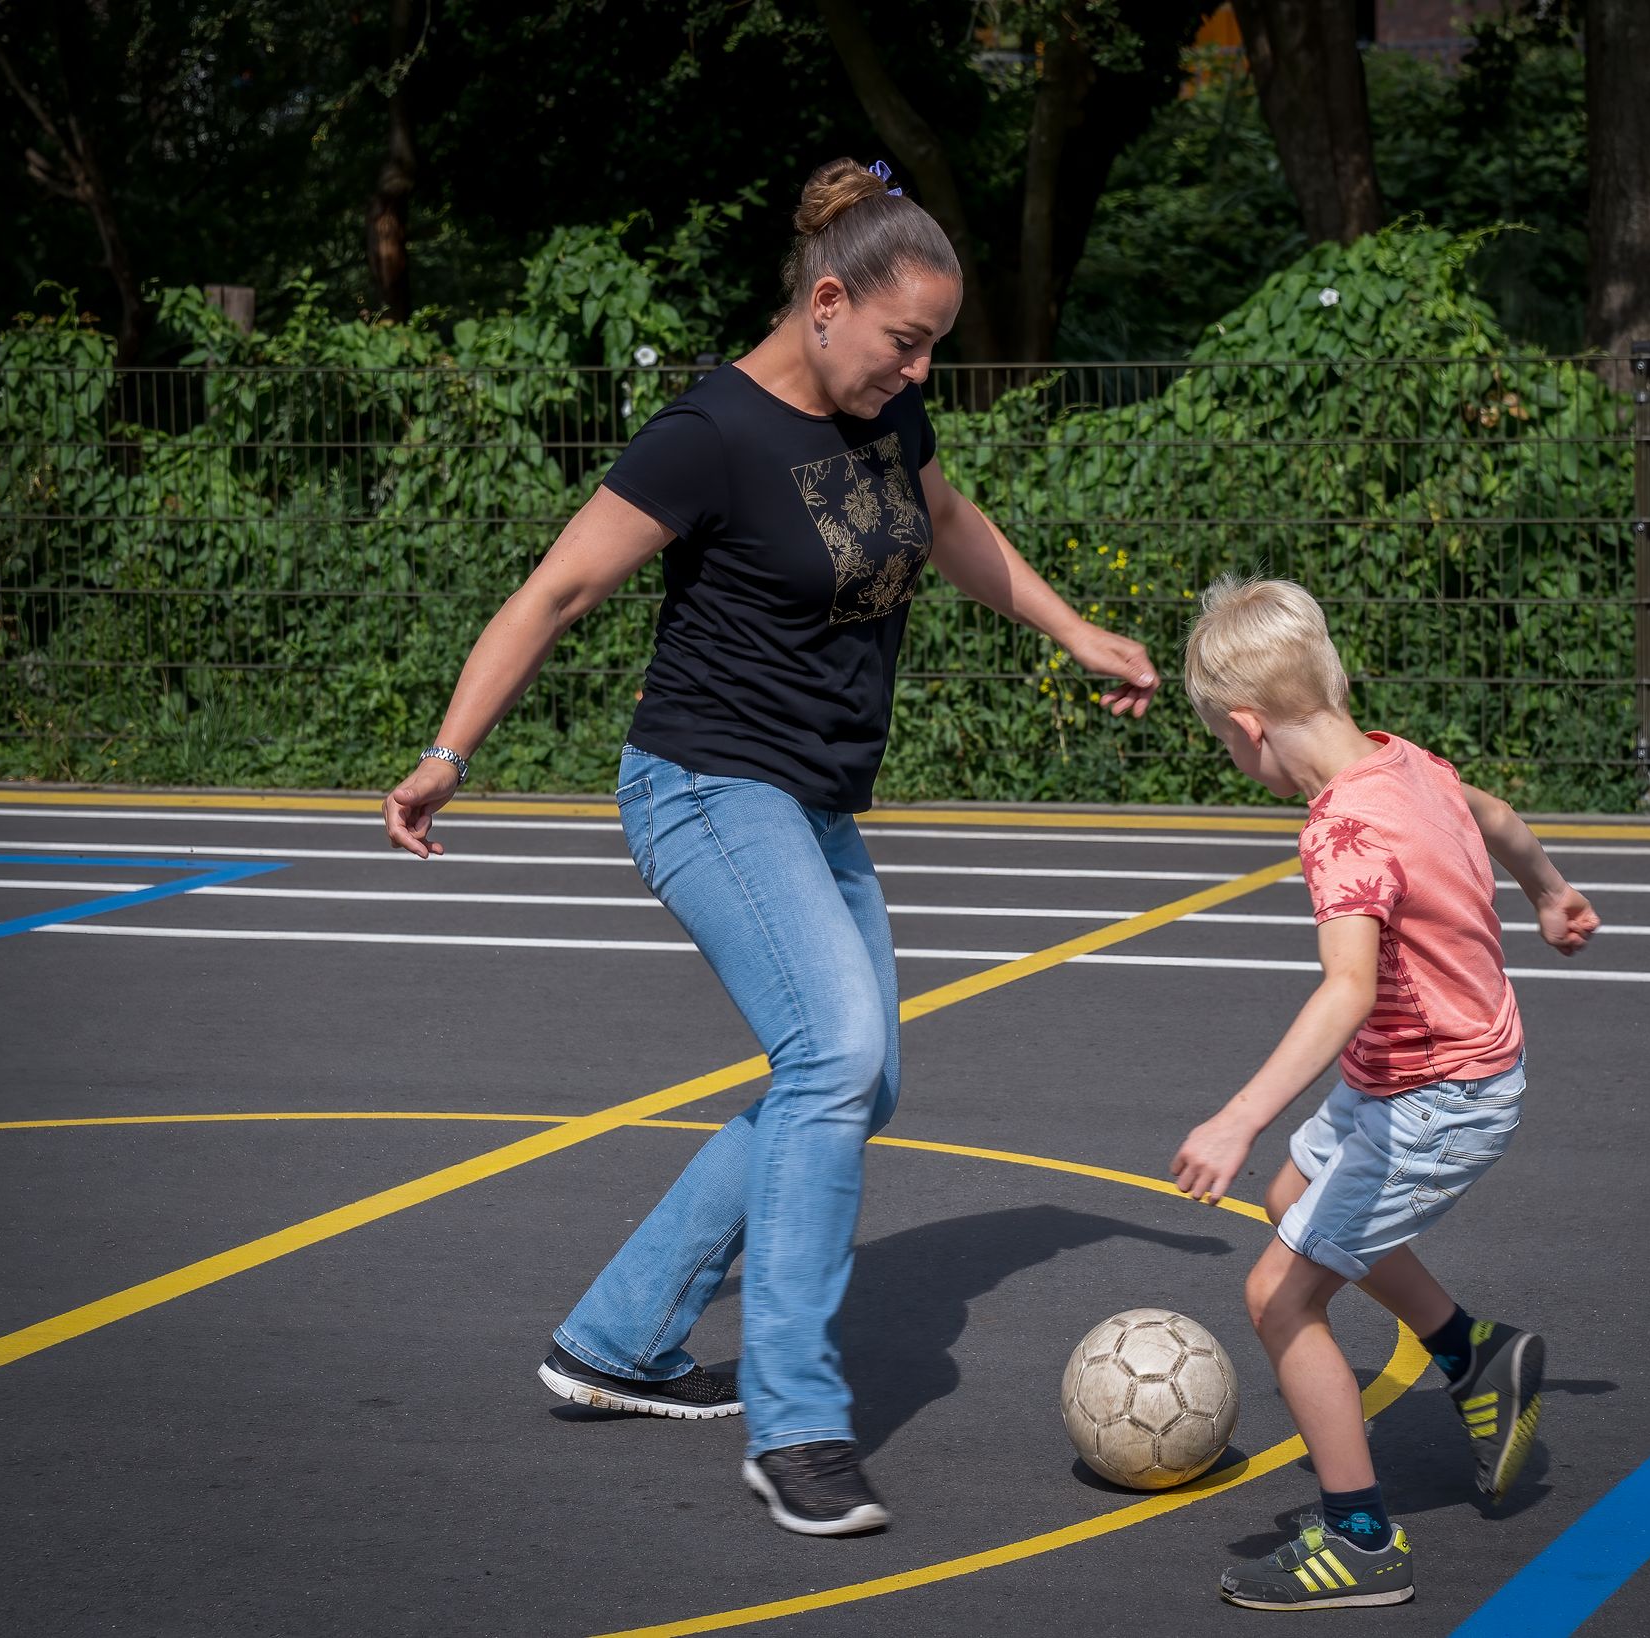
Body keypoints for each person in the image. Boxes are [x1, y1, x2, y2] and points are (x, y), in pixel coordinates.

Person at [380, 158, 1159, 1537]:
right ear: (824, 300)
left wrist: (1074, 627)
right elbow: (554, 590)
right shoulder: (709, 434)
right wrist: (449, 753)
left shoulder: (891, 415)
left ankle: (615, 1341)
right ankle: (797, 1421)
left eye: (932, 347)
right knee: (834, 1057)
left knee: (862, 1078)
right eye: (902, 340)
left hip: (811, 797)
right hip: (700, 783)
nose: (917, 369)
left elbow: (953, 523)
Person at [1168, 576, 1599, 1610]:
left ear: (1246, 726)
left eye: (1226, 748)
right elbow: (1491, 812)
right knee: (1288, 1202)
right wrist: (1547, 888)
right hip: (1408, 1080)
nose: (1234, 764)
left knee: (1277, 1298)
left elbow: (1348, 987)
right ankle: (1471, 1356)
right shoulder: (1404, 762)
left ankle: (1359, 1539)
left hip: (1435, 1098)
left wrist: (1237, 1114)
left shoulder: (1338, 833)